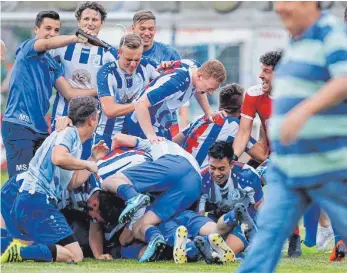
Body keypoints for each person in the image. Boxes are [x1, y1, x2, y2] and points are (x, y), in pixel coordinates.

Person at [237, 2, 347, 272]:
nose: (279, 8)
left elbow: (344, 80)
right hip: (287, 168)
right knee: (266, 239)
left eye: (287, 1)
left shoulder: (330, 34)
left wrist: (301, 113)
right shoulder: (296, 40)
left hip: (326, 164)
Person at [1, 96, 109, 263]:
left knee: (29, 243)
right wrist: (88, 164)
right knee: (74, 256)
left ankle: (16, 250)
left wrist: (93, 159)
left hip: (31, 198)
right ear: (92, 119)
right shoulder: (69, 132)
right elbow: (58, 158)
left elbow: (72, 183)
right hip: (35, 197)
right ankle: (20, 252)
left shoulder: (73, 139)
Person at [1, 11, 97, 178]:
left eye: (56, 30)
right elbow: (47, 44)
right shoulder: (28, 48)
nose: (52, 33)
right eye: (47, 28)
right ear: (36, 30)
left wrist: (100, 91)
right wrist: (77, 38)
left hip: (41, 130)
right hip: (18, 125)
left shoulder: (52, 63)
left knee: (40, 182)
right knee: (20, 181)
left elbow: (69, 93)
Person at [100, 133, 202, 262]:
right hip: (195, 183)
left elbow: (117, 137)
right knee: (140, 226)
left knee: (110, 181)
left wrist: (112, 151)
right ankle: (188, 245)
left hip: (174, 163)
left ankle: (132, 196)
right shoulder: (163, 144)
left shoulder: (150, 143)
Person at [50, 1, 117, 159]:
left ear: (101, 24)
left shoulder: (108, 53)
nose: (90, 23)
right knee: (61, 160)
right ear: (78, 21)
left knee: (87, 160)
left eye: (95, 20)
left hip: (92, 118)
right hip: (63, 114)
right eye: (86, 19)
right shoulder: (62, 47)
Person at [128, 59, 227, 143]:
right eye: (209, 88)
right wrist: (151, 136)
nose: (210, 93)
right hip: (140, 124)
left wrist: (209, 112)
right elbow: (140, 104)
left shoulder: (195, 67)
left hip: (160, 122)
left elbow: (199, 90)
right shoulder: (176, 83)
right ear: (199, 76)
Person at [173, 83, 267, 169]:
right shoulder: (236, 126)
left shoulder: (199, 118)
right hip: (205, 181)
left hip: (181, 173)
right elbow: (262, 156)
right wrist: (263, 117)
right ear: (242, 107)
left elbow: (174, 141)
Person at [198, 141, 263, 257]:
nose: (216, 173)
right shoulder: (201, 178)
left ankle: (246, 249)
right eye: (212, 168)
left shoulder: (248, 176)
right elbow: (200, 215)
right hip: (218, 220)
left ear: (232, 164)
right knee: (199, 249)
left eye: (221, 168)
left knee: (228, 251)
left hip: (246, 220)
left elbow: (259, 208)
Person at [95, 33, 158, 148]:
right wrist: (141, 104)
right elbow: (109, 110)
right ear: (119, 53)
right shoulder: (106, 72)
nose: (133, 64)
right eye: (128, 59)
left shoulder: (148, 65)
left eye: (137, 59)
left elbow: (169, 82)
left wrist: (169, 67)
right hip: (107, 137)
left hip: (135, 138)